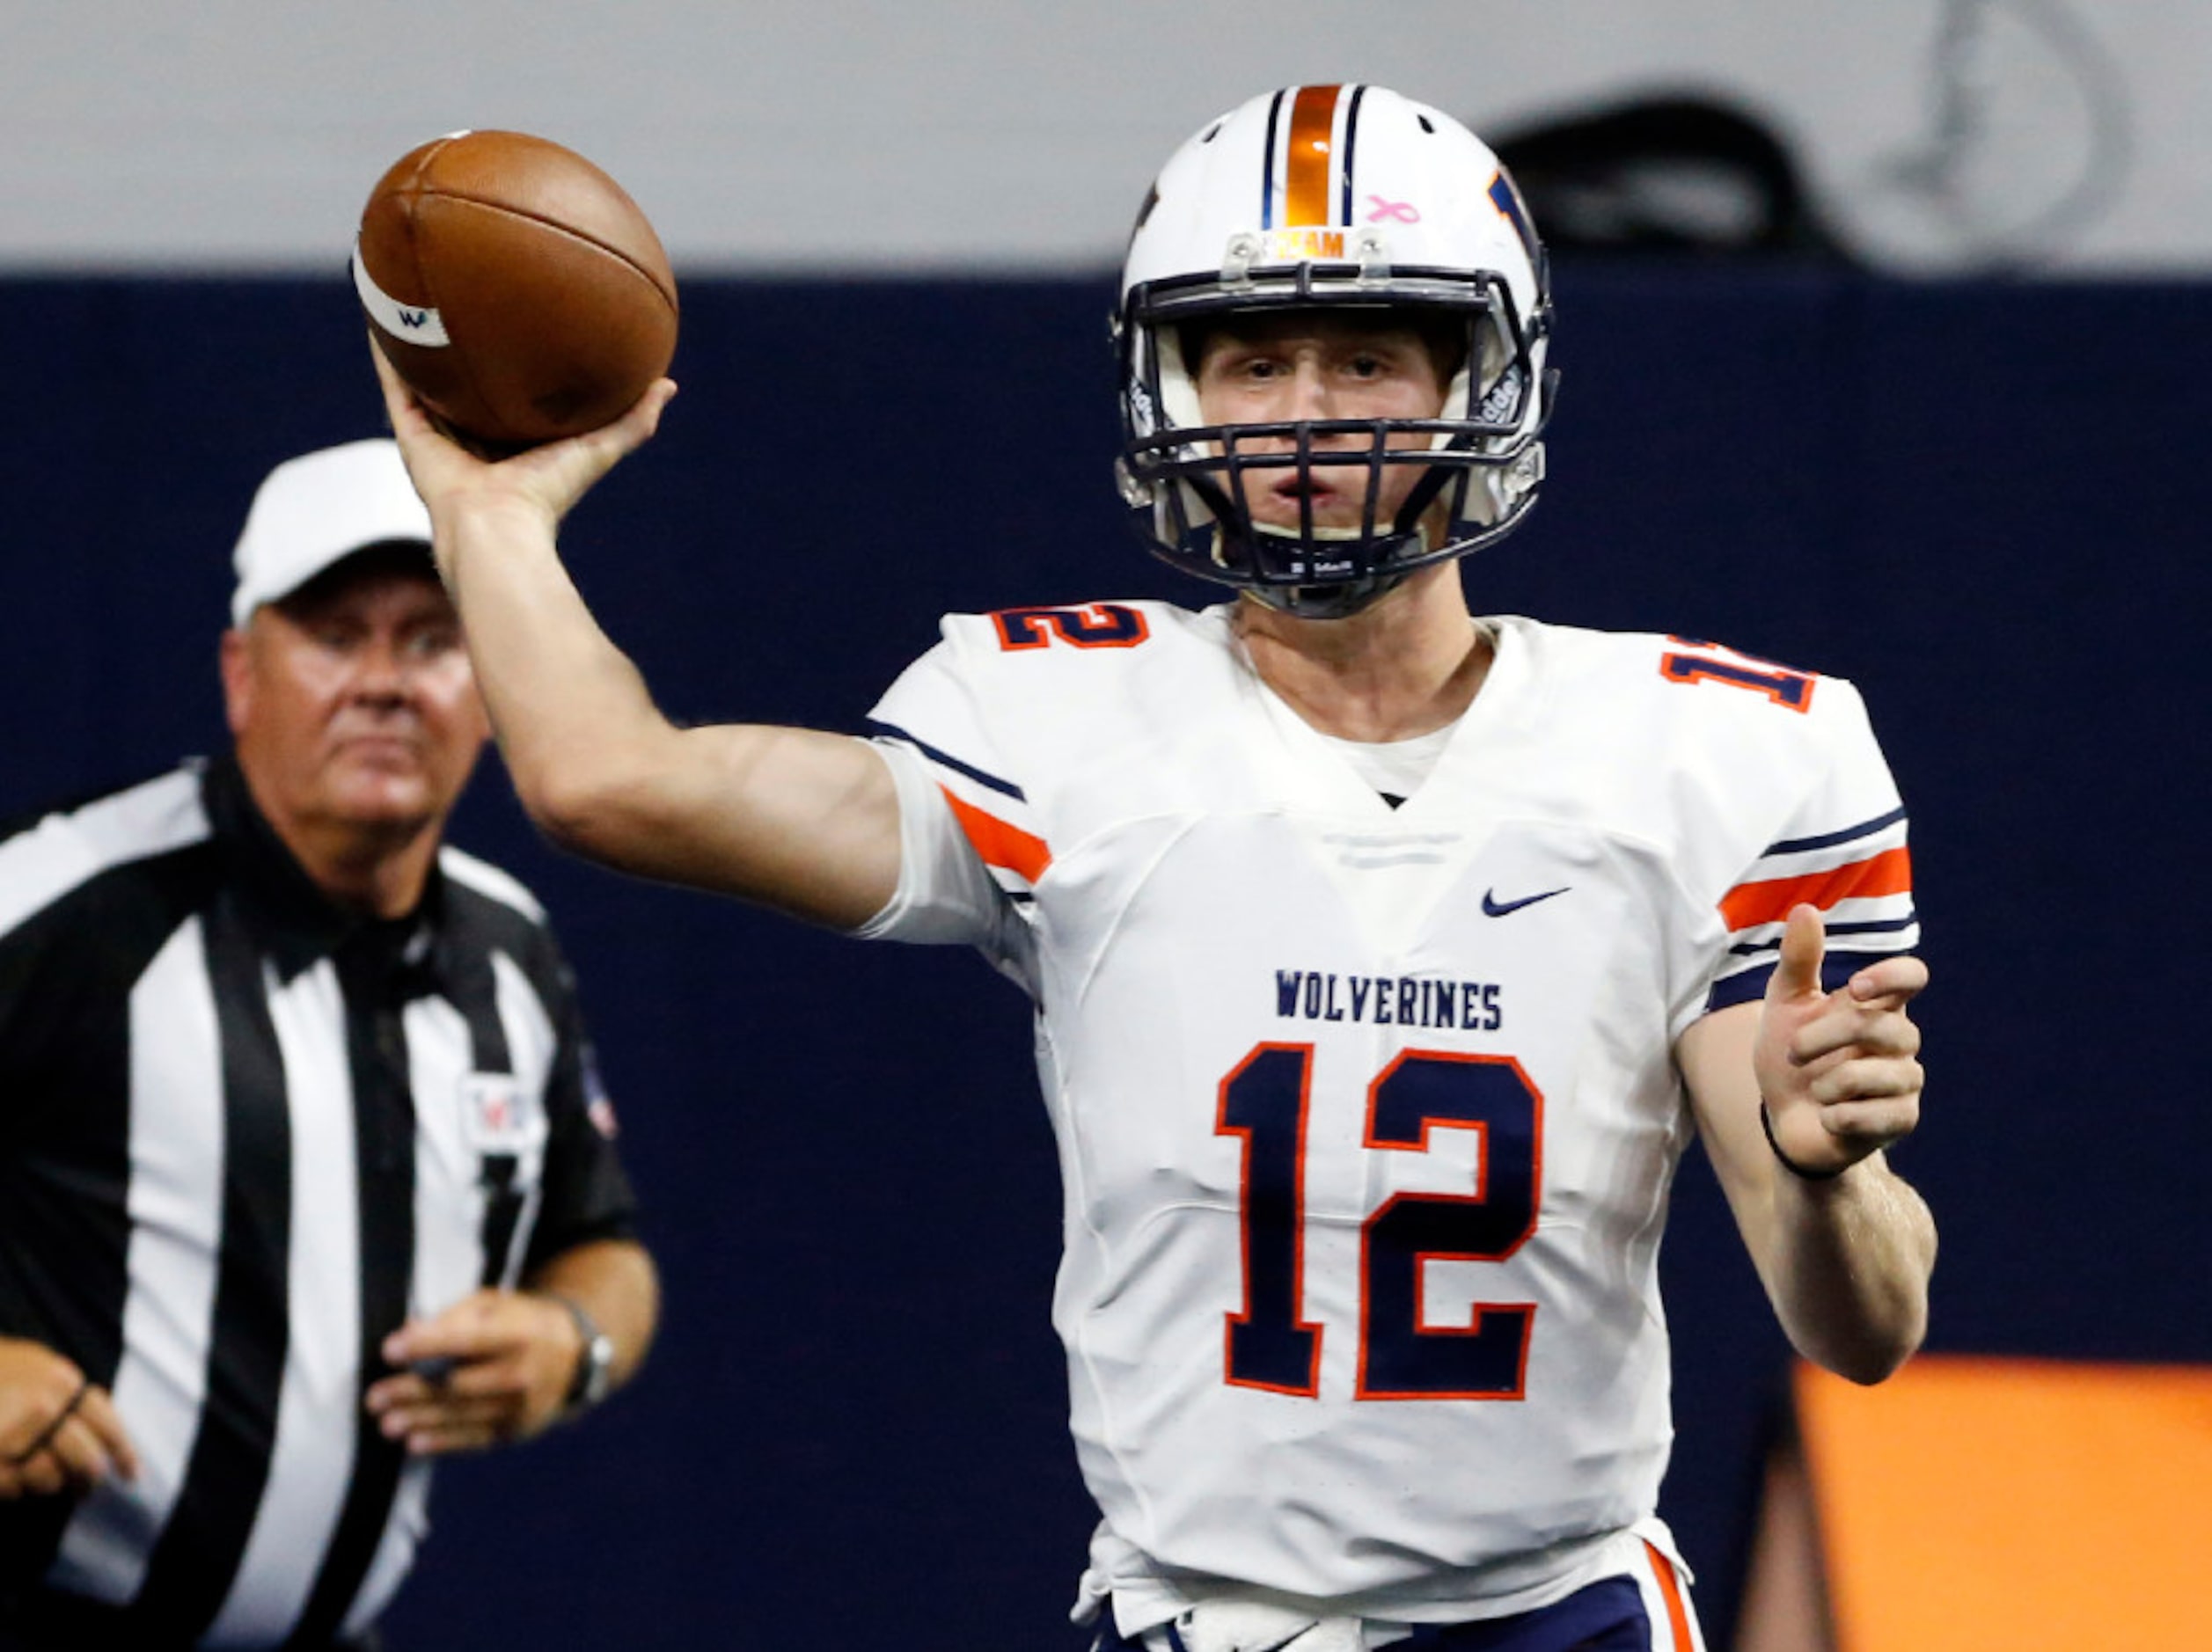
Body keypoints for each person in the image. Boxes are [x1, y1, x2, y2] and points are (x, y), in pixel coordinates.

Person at [374, 83, 1935, 1652]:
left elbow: (1859, 1327)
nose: (1308, 413)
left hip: (1562, 1613)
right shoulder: (1058, 724)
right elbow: (606, 781)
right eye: (1253, 358)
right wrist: (490, 524)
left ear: (1486, 372)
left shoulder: (1718, 758)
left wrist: (1824, 1175)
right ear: (1170, 387)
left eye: (1367, 355)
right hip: (1205, 1617)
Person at [0, 439, 660, 1650]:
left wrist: (575, 1339)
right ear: (241, 673)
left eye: (432, 637)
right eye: (333, 634)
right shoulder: (61, 901)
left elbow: (599, 1243)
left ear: (499, 684)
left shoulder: (505, 950)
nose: (383, 682)